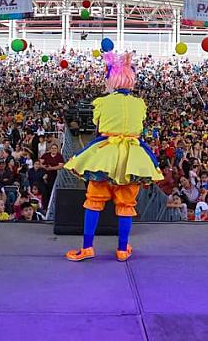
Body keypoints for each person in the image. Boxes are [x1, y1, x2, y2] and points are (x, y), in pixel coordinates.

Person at [64, 51, 162, 261]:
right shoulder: (140, 104)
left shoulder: (101, 102)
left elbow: (100, 129)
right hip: (132, 159)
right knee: (126, 205)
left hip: (105, 158)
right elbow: (139, 129)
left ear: (111, 79)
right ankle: (122, 249)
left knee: (93, 201)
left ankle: (87, 247)